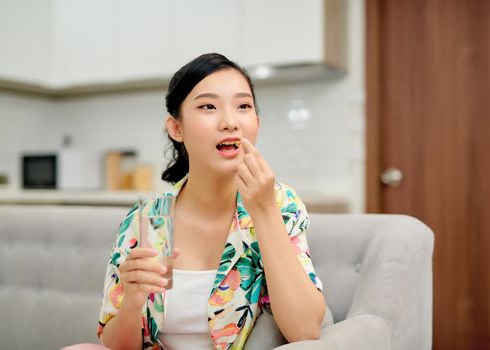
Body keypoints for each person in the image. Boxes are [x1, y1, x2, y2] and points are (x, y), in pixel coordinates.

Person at [97, 53, 326, 350]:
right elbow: (113, 346)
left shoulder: (279, 202)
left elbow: (306, 331)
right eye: (208, 106)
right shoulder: (149, 217)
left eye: (243, 106)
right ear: (176, 128)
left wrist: (264, 210)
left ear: (256, 122)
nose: (230, 122)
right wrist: (132, 302)